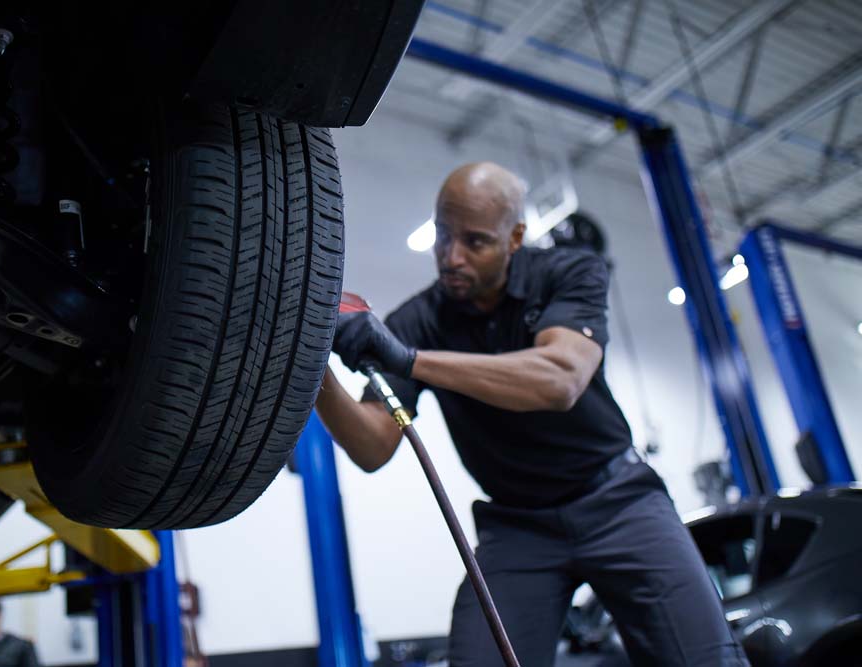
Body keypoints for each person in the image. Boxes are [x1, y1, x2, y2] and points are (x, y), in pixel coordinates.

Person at [315, 162, 749, 666]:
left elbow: (559, 378)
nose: (451, 257)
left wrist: (410, 361)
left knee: (705, 661)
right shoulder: (416, 321)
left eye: (474, 242)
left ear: (515, 237)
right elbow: (373, 448)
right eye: (442, 235)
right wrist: (312, 368)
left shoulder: (568, 273)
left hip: (618, 502)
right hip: (518, 527)